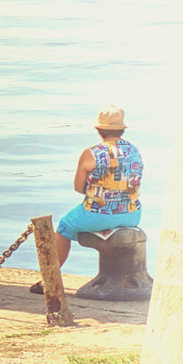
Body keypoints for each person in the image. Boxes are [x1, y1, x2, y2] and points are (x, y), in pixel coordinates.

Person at [32, 105, 143, 293]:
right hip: (132, 214)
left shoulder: (91, 153)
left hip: (97, 214)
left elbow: (78, 187)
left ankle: (48, 281)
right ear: (123, 129)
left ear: (98, 130)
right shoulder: (134, 150)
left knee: (65, 226)